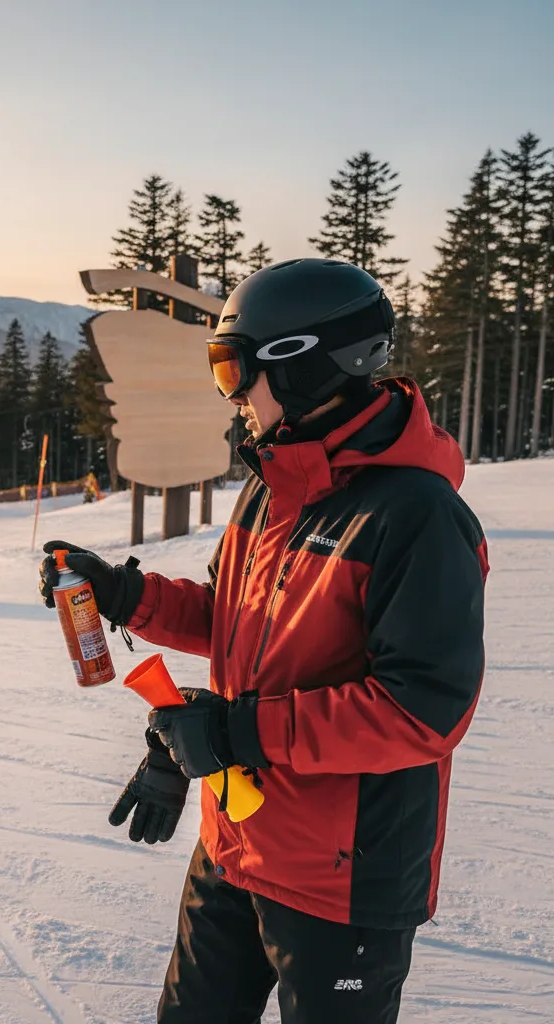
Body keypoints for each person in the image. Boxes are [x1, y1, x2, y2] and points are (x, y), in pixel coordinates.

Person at [39, 258, 488, 1024]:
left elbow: (421, 712)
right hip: (235, 844)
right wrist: (123, 593)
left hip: (341, 882)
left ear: (304, 364)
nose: (232, 395)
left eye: (234, 368)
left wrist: (233, 732)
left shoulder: (415, 515)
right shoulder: (274, 485)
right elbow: (230, 617)